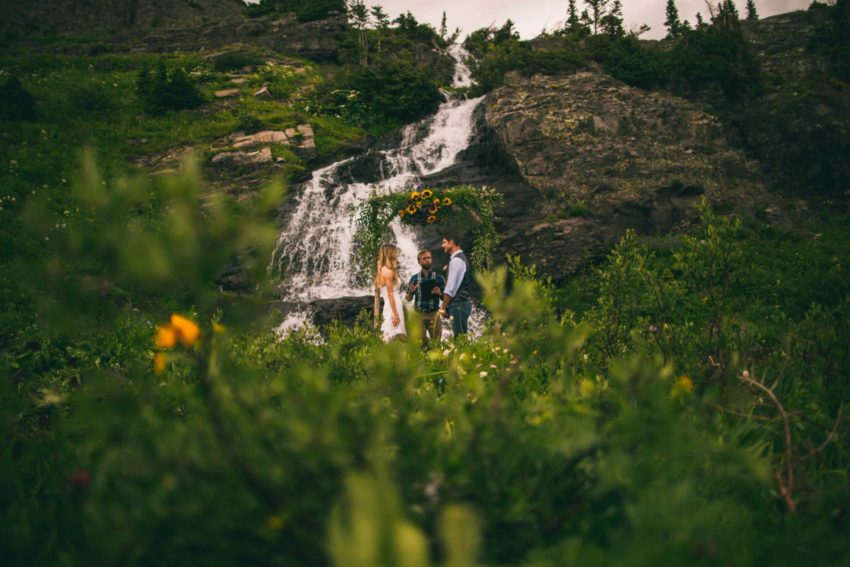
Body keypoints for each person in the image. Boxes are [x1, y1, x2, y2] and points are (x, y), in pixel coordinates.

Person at [405, 250, 446, 345]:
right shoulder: (414, 278)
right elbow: (408, 299)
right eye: (424, 258)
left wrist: (440, 293)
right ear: (419, 262)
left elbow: (445, 298)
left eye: (429, 258)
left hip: (434, 314)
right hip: (419, 315)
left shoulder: (439, 278)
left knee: (436, 344)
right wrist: (411, 292)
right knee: (420, 344)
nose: (427, 260)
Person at [438, 232, 472, 338]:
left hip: (459, 304)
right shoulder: (456, 259)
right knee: (460, 337)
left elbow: (451, 288)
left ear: (451, 242)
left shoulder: (457, 261)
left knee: (460, 339)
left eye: (444, 242)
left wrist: (443, 306)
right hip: (459, 304)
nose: (442, 245)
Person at [374, 244, 407, 342]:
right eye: (395, 252)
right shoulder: (388, 271)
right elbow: (390, 294)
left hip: (389, 304)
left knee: (390, 331)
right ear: (391, 253)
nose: (397, 254)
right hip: (393, 305)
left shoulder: (382, 269)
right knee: (395, 332)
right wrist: (395, 314)